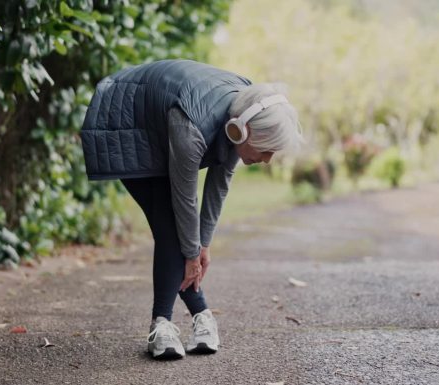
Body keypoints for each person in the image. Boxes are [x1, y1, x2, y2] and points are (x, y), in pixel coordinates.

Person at [80, 59, 302, 360]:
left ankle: (198, 317)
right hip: (125, 118)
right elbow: (185, 198)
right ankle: (162, 324)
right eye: (265, 150)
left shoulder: (248, 110)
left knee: (185, 239)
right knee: (171, 229)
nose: (267, 159)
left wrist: (203, 246)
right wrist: (191, 253)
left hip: (160, 123)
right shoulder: (192, 128)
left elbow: (218, 185)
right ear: (241, 131)